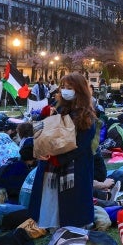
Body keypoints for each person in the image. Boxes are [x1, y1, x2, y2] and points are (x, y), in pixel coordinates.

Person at [29, 73, 99, 229]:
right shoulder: (58, 105)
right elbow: (45, 129)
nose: (66, 91)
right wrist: (44, 115)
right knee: (51, 199)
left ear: (79, 90)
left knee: (72, 205)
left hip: (73, 166)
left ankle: (74, 227)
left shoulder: (86, 114)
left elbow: (82, 145)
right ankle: (54, 226)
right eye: (63, 87)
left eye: (70, 88)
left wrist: (58, 159)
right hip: (50, 165)